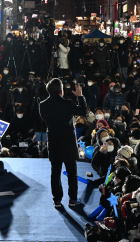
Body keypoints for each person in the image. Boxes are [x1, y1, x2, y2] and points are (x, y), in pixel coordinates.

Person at [39, 78, 87, 208]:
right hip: (68, 142)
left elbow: (46, 119)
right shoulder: (67, 103)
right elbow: (83, 111)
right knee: (72, 172)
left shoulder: (42, 105)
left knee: (55, 172)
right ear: (61, 90)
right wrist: (80, 96)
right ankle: (72, 200)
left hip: (54, 142)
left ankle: (57, 200)